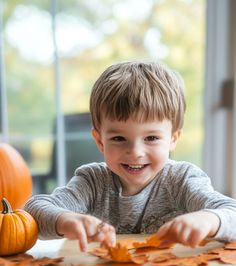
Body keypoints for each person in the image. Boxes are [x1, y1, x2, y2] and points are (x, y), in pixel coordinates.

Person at [25, 60, 236, 252]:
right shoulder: (92, 182)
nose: (135, 152)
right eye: (118, 138)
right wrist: (65, 220)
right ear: (100, 141)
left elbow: (231, 212)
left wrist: (208, 219)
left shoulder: (182, 180)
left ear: (173, 138)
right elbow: (33, 211)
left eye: (151, 138)